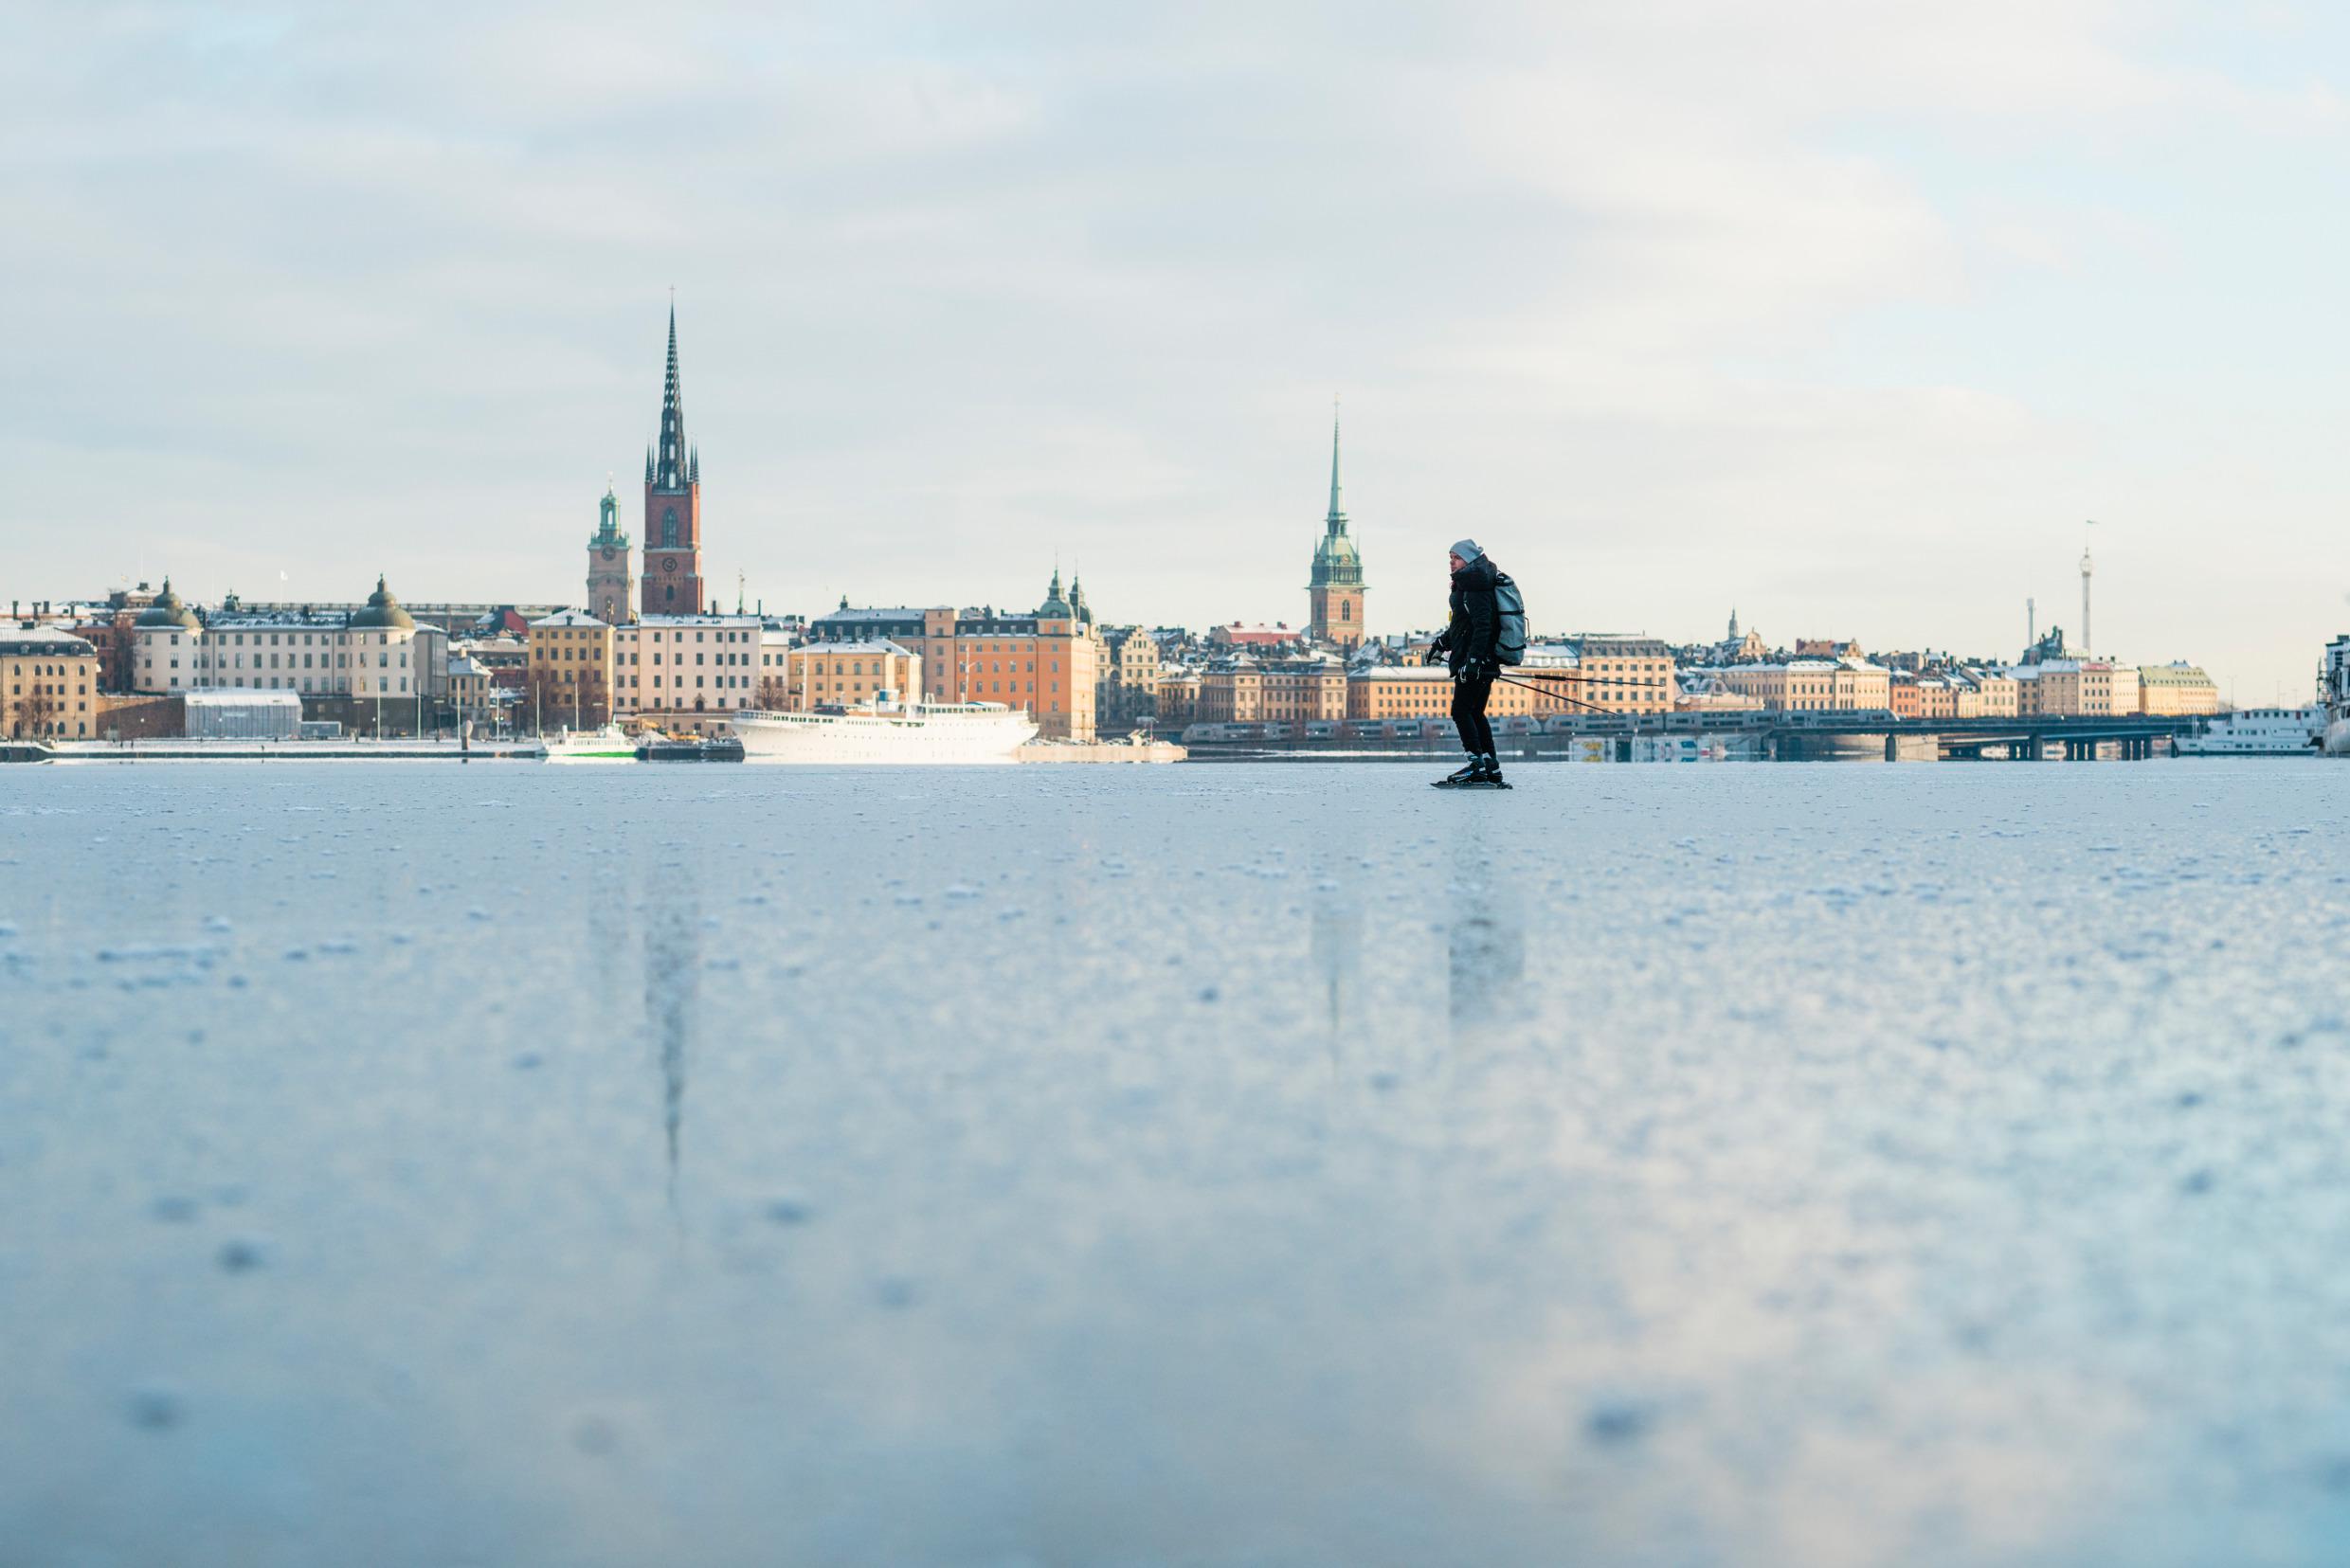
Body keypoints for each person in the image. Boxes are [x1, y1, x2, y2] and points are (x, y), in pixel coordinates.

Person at [1425, 538, 1505, 786]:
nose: (1451, 562)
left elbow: (1484, 627)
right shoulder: (1470, 584)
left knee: (1460, 711)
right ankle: (1490, 765)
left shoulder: (1475, 586)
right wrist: (1440, 644)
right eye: (1450, 558)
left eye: (1456, 558)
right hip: (1481, 661)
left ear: (1469, 560)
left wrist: (1472, 661)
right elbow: (1462, 627)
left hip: (1476, 663)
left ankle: (1476, 765)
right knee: (1475, 712)